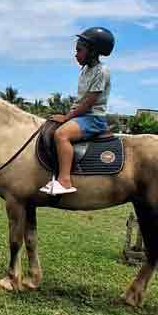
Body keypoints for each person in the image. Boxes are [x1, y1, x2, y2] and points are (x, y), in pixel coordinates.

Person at [40, 26, 115, 196]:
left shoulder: (101, 71)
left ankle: (65, 181)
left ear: (93, 51)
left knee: (61, 135)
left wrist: (67, 117)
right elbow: (80, 100)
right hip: (82, 116)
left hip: (93, 118)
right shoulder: (86, 71)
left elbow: (89, 102)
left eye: (79, 50)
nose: (76, 54)